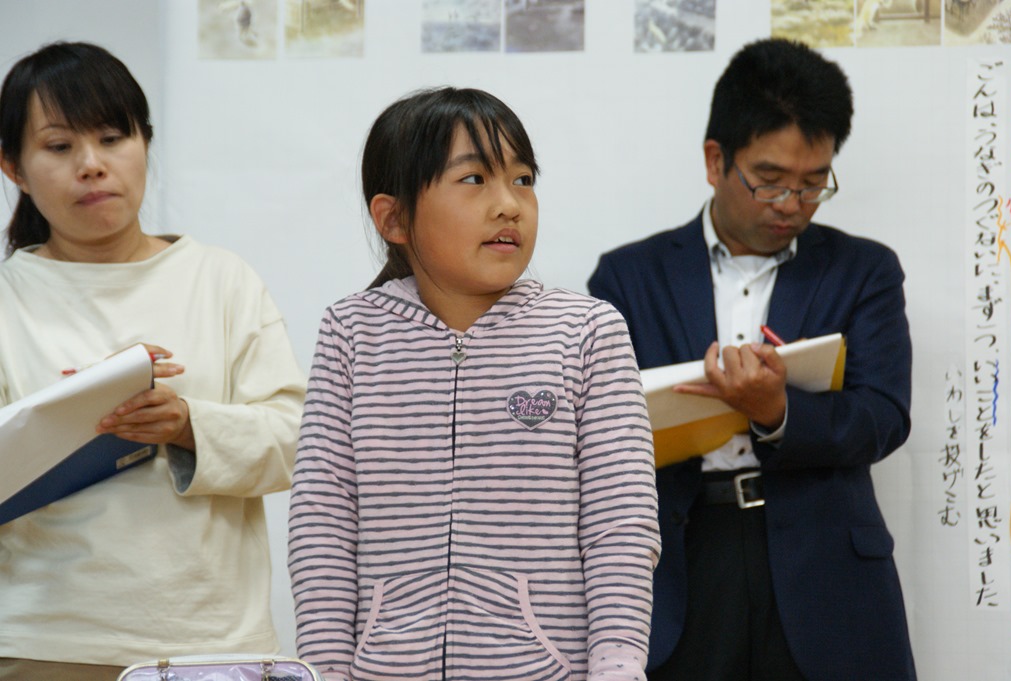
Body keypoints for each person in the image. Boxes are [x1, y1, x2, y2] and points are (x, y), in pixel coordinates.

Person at [288, 86, 660, 681]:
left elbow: (621, 523)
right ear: (394, 218)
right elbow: (322, 524)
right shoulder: (352, 333)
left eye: (523, 180)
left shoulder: (587, 331)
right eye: (474, 179)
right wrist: (325, 670)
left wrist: (617, 667)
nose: (509, 205)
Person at [588, 38, 916, 681]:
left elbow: (883, 417)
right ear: (716, 161)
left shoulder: (864, 271)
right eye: (769, 181)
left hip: (824, 568)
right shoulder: (628, 277)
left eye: (814, 183)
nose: (791, 204)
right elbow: (597, 431)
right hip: (681, 560)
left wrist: (778, 411)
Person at [0, 42, 305, 680]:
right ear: (14, 168)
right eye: (59, 147)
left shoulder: (221, 279)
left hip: (212, 644)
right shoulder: (10, 298)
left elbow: (297, 441)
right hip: (44, 642)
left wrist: (188, 424)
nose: (91, 165)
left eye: (113, 138)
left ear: (145, 142)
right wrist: (73, 412)